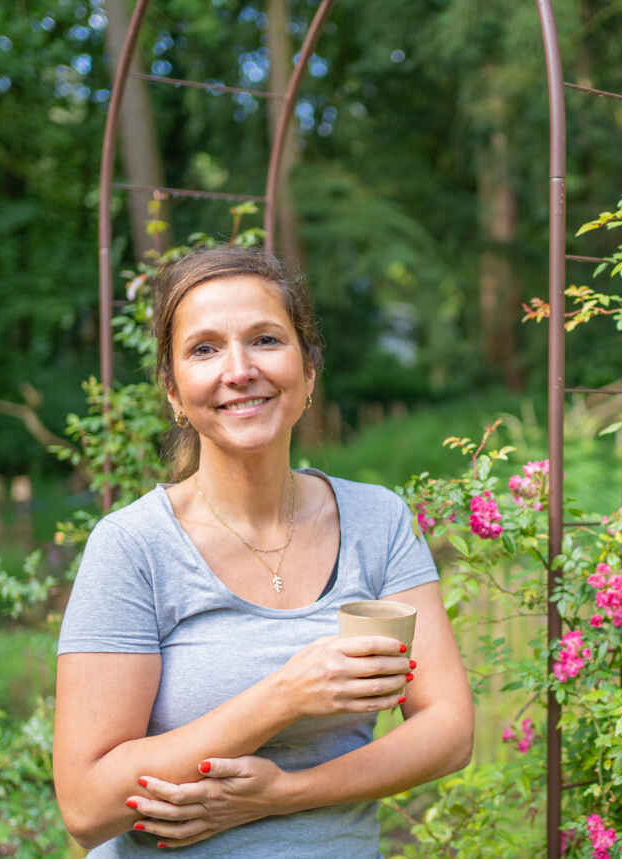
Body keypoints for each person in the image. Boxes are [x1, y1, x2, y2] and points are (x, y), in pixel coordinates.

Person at [52, 247, 474, 856]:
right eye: (204, 349)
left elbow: (448, 731)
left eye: (266, 340)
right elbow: (87, 805)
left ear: (308, 371)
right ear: (173, 391)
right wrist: (283, 697)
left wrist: (286, 792)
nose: (239, 369)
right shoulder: (133, 547)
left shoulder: (376, 522)